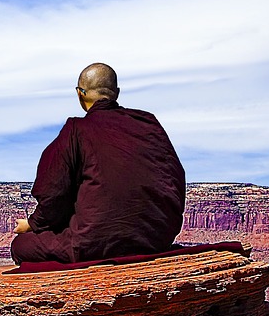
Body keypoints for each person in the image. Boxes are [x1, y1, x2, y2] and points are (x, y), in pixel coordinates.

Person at [10, 63, 185, 265]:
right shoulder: (149, 123)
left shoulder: (76, 130)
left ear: (80, 94)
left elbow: (53, 191)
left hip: (94, 245)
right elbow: (174, 177)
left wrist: (33, 224)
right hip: (155, 240)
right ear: (116, 93)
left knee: (21, 246)